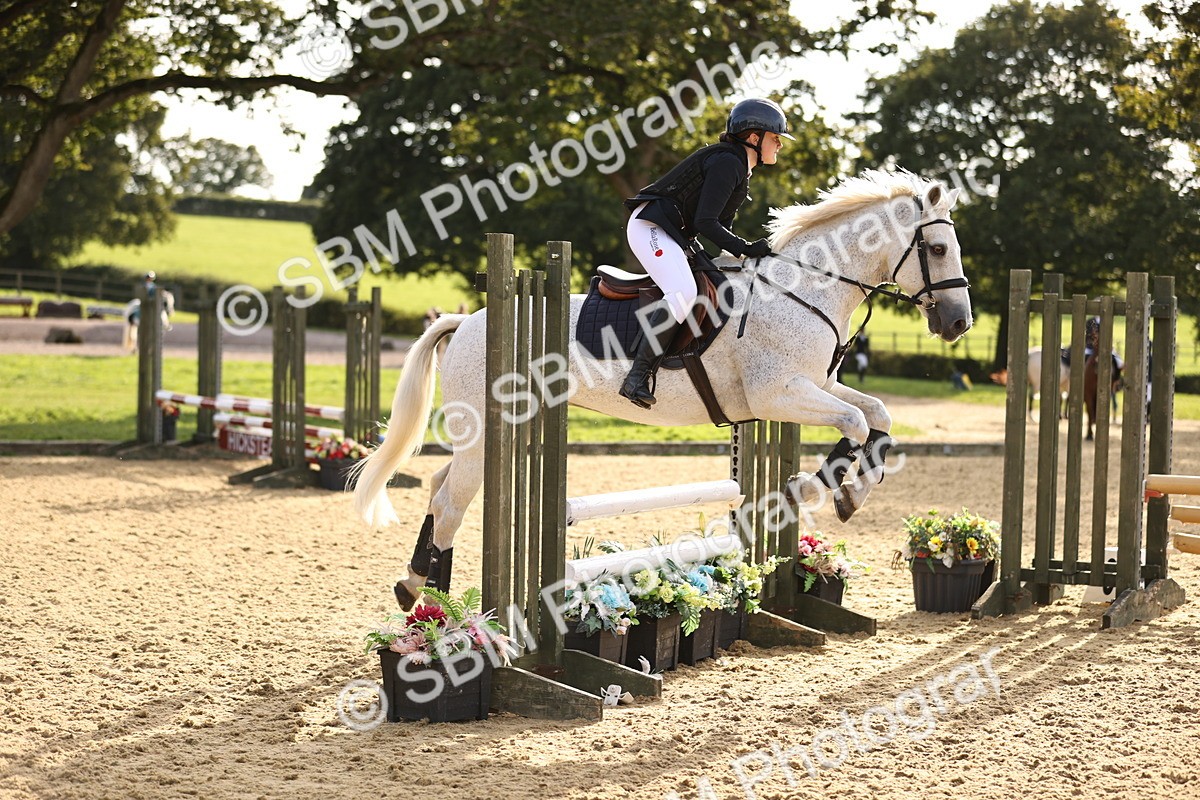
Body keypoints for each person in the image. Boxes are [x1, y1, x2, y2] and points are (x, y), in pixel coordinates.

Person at [618, 97, 794, 409]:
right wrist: (744, 248)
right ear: (754, 138)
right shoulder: (728, 163)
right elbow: (706, 222)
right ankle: (636, 377)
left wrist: (746, 254)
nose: (779, 145)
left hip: (675, 233)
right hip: (651, 228)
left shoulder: (740, 167)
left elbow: (719, 227)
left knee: (716, 279)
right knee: (683, 291)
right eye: (775, 138)